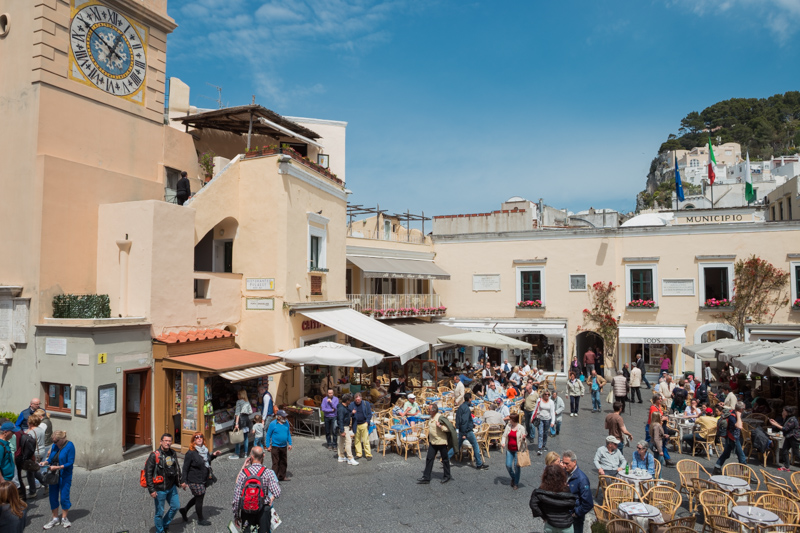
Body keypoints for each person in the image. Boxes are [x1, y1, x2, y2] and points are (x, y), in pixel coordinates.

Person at [231, 447, 281, 533]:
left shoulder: (244, 473)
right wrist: (271, 499)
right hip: (263, 511)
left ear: (252, 457)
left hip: (246, 511)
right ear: (263, 456)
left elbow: (237, 497)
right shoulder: (268, 472)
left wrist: (236, 515)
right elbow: (277, 492)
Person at [180, 432, 221, 526]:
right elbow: (185, 468)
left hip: (204, 478)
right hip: (194, 479)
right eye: (196, 437)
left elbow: (206, 460)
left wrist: (214, 455)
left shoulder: (205, 450)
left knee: (198, 497)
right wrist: (183, 481)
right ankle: (200, 519)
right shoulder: (190, 453)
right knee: (200, 498)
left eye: (201, 437)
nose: (199, 439)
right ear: (193, 441)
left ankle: (184, 510)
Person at [41, 430, 77, 530]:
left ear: (62, 439)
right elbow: (51, 457)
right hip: (53, 475)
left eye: (56, 441)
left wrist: (58, 468)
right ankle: (55, 518)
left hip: (65, 475)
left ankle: (64, 518)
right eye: (53, 441)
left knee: (64, 496)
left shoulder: (70, 446)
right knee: (53, 496)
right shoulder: (55, 445)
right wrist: (46, 462)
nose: (54, 443)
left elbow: (70, 462)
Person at [529, 463, 578, 533]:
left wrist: (543, 516)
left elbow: (533, 504)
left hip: (550, 524)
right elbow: (572, 504)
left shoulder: (541, 491)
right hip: (565, 526)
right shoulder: (566, 489)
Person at [417, 405, 452, 484]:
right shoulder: (431, 417)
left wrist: (440, 426)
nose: (427, 410)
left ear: (433, 410)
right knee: (429, 458)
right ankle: (426, 477)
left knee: (445, 459)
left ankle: (447, 476)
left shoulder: (440, 417)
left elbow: (448, 428)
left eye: (429, 409)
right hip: (433, 442)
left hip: (441, 441)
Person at [562, 450, 592, 533]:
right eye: (563, 462)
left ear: (574, 462)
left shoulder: (582, 479)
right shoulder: (565, 473)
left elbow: (588, 503)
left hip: (575, 518)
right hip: (564, 515)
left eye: (567, 463)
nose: (564, 466)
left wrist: (576, 513)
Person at [455, 392, 487, 470]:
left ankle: (445, 458)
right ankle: (479, 464)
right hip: (467, 431)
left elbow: (459, 419)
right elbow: (465, 421)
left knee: (457, 446)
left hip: (462, 430)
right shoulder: (466, 408)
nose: (472, 400)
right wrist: (465, 433)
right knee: (475, 445)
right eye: (471, 398)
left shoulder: (461, 407)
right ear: (469, 399)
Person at [501, 413, 527, 490]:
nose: (509, 421)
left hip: (517, 450)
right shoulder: (508, 427)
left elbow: (524, 442)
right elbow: (504, 436)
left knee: (516, 467)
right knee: (508, 465)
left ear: (514, 420)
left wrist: (523, 438)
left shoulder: (521, 428)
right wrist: (503, 442)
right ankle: (514, 477)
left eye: (510, 420)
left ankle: (516, 483)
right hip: (509, 449)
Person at [770, 406, 800, 472]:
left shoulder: (792, 419)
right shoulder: (788, 418)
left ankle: (786, 466)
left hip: (794, 437)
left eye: (784, 411)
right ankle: (786, 466)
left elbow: (785, 428)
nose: (782, 412)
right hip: (789, 437)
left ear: (787, 412)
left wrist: (775, 424)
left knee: (796, 453)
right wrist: (775, 423)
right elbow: (783, 426)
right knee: (784, 450)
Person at [266, 410, 292, 481]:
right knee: (275, 463)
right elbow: (268, 435)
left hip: (284, 446)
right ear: (278, 417)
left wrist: (290, 443)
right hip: (275, 446)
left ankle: (282, 476)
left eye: (285, 416)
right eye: (283, 416)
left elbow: (288, 434)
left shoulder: (286, 423)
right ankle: (274, 478)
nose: (285, 418)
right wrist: (268, 445)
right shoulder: (273, 424)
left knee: (283, 462)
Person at [335, 394, 357, 466]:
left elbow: (346, 416)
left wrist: (351, 413)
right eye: (350, 400)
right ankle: (350, 458)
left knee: (341, 441)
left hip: (343, 426)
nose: (350, 402)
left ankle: (341, 456)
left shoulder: (343, 407)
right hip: (344, 427)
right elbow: (340, 420)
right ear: (347, 401)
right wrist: (342, 431)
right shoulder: (341, 409)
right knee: (348, 442)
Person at [231, 389, 253, 460]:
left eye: (238, 394)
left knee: (238, 437)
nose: (237, 395)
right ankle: (245, 453)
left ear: (241, 395)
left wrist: (236, 423)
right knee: (246, 438)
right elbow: (250, 412)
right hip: (246, 420)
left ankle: (237, 453)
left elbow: (237, 413)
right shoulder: (247, 402)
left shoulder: (239, 402)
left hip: (240, 420)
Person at [350, 393, 373, 461]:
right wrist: (352, 413)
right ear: (354, 399)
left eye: (358, 399)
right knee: (357, 440)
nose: (357, 400)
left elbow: (369, 414)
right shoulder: (351, 404)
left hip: (364, 423)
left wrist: (367, 422)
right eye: (356, 399)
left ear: (361, 398)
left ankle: (368, 454)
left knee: (366, 440)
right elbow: (348, 414)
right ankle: (358, 454)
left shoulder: (366, 403)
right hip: (356, 424)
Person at [535, 390, 556, 455]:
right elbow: (536, 409)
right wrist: (533, 417)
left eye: (548, 394)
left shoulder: (551, 402)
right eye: (545, 394)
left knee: (545, 432)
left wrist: (553, 421)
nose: (547, 395)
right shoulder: (539, 400)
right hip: (540, 418)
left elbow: (552, 412)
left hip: (548, 419)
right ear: (543, 395)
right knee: (540, 433)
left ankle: (544, 445)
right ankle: (540, 448)